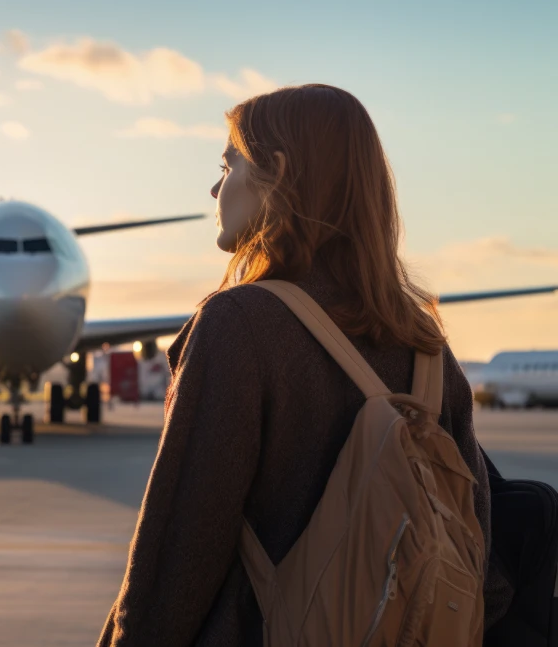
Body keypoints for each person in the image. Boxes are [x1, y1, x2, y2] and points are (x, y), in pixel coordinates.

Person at [97, 84, 512, 646]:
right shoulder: (426, 349)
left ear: (277, 175)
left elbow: (176, 560)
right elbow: (475, 546)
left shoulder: (239, 326)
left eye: (229, 164)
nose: (216, 187)